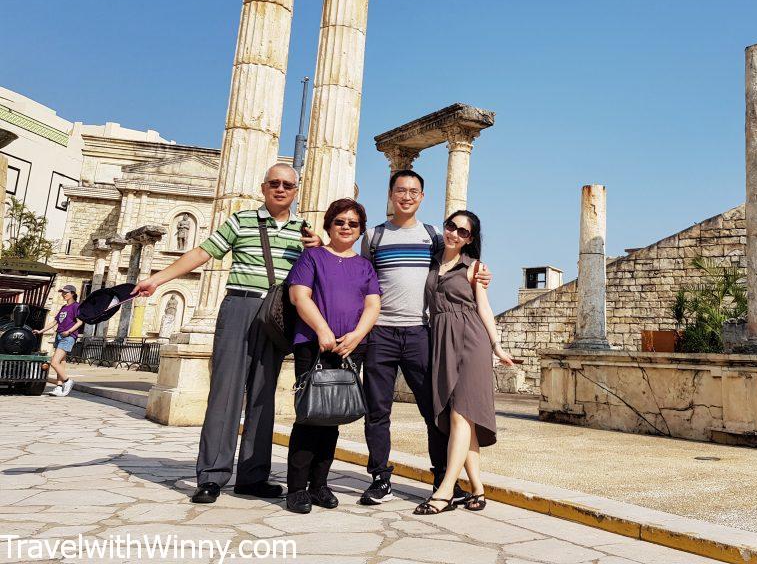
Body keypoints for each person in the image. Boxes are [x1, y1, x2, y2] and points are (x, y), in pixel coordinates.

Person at [133, 163, 320, 504]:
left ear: (296, 191)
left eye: (288, 185)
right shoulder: (241, 220)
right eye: (274, 183)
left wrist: (317, 249)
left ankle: (253, 475)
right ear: (264, 188)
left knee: (264, 396)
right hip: (239, 307)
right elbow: (202, 252)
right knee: (225, 391)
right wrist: (158, 279)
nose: (281, 189)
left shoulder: (305, 232)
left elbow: (317, 274)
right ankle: (212, 475)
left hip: (278, 315)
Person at [357, 170, 492, 505]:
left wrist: (480, 272)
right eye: (400, 190)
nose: (406, 196)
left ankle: (440, 478)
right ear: (390, 194)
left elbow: (456, 261)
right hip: (381, 332)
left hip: (420, 332)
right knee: (377, 410)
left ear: (422, 196)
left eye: (413, 191)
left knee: (434, 409)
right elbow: (362, 279)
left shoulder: (433, 235)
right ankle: (380, 477)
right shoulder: (372, 237)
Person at [285, 198, 381, 514]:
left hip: (349, 347)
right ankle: (297, 488)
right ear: (329, 224)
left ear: (360, 230)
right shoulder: (312, 257)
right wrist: (322, 329)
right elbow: (299, 295)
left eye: (353, 223)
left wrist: (357, 335)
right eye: (340, 221)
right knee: (310, 415)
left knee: (333, 417)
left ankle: (320, 485)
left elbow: (372, 305)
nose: (345, 227)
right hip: (313, 344)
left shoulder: (365, 265)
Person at [414, 211, 513, 515]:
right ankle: (478, 488)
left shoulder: (474, 268)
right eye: (451, 227)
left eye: (463, 232)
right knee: (464, 420)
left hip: (471, 341)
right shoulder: (431, 261)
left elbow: (484, 308)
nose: (454, 234)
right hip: (441, 341)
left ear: (471, 238)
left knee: (460, 416)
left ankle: (445, 491)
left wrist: (496, 346)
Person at [33, 285, 83, 397]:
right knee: (61, 363)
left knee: (54, 362)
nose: (63, 294)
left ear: (73, 293)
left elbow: (80, 322)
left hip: (68, 337)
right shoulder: (63, 307)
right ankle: (59, 387)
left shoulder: (76, 306)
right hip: (59, 336)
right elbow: (54, 322)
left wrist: (69, 332)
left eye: (66, 293)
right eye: (62, 293)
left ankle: (68, 381)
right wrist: (41, 331)